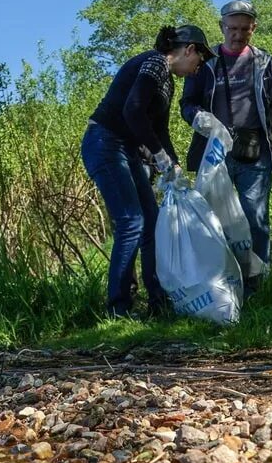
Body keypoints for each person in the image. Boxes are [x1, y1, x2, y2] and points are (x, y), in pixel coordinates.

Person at [81, 24, 214, 317]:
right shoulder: (155, 63)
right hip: (104, 142)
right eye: (199, 61)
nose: (198, 68)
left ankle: (158, 303)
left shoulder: (168, 81)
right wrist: (159, 156)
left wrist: (174, 164)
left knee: (152, 223)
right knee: (131, 221)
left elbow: (159, 131)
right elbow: (133, 110)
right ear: (188, 50)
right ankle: (118, 307)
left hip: (124, 148)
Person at [180, 0, 272, 295]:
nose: (237, 34)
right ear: (222, 27)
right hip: (214, 153)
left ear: (254, 28)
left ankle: (258, 287)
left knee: (255, 217)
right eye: (232, 28)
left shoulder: (264, 62)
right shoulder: (205, 63)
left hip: (256, 151)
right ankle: (220, 286)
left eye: (244, 29)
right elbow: (187, 104)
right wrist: (200, 119)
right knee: (214, 222)